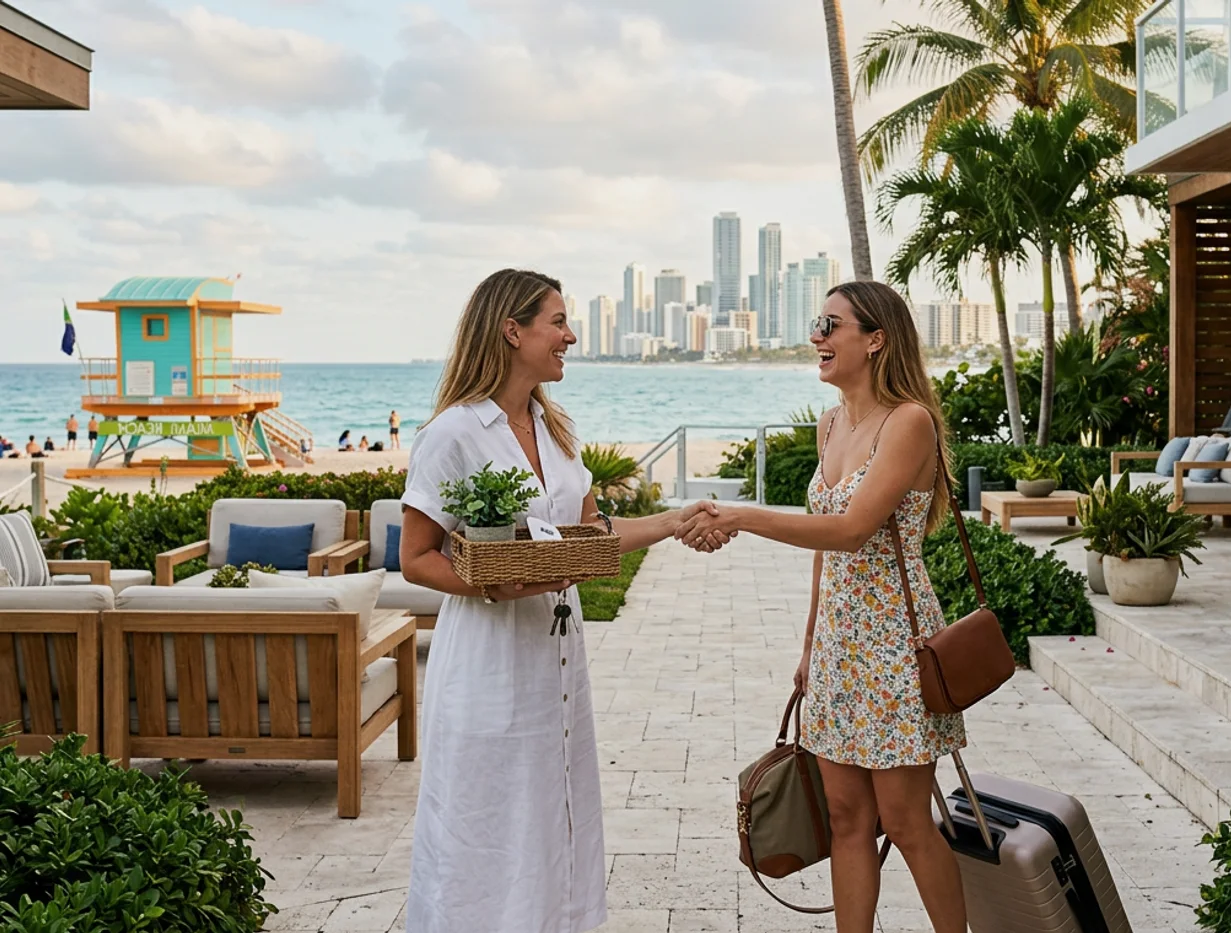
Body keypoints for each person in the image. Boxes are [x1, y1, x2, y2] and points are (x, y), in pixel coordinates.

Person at [399, 269, 728, 933]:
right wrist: (496, 580)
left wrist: (671, 522)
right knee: (485, 814)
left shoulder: (554, 430)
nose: (570, 335)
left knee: (552, 810)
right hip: (488, 660)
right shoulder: (453, 433)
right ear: (512, 329)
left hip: (557, 658)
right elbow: (415, 557)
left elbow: (591, 535)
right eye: (557, 321)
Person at [675, 280, 969, 933]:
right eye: (819, 323)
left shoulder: (909, 422)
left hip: (895, 642)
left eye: (831, 324)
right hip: (840, 644)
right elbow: (825, 554)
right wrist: (810, 645)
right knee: (845, 818)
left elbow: (850, 530)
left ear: (876, 338)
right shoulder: (831, 423)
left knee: (906, 821)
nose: (818, 336)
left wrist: (745, 516)